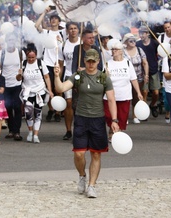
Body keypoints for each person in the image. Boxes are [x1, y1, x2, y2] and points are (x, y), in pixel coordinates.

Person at [54, 49, 119, 198]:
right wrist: (57, 76)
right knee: (79, 153)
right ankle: (82, 175)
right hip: (81, 118)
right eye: (88, 61)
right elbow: (61, 88)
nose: (90, 64)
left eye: (93, 61)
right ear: (84, 61)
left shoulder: (104, 78)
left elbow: (111, 99)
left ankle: (92, 185)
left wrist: (114, 120)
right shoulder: (78, 76)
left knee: (96, 153)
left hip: (98, 119)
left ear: (98, 62)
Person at [104, 42, 143, 136]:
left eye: (116, 49)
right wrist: (105, 75)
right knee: (109, 115)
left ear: (121, 51)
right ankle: (111, 129)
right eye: (112, 49)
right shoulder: (107, 63)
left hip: (124, 94)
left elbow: (133, 78)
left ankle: (118, 132)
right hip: (110, 95)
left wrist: (138, 92)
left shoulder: (127, 63)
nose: (114, 51)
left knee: (122, 116)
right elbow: (101, 80)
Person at [16, 45, 53, 143]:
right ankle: (30, 132)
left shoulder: (41, 63)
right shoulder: (23, 64)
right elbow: (18, 79)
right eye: (29, 57)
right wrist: (19, 74)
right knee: (28, 113)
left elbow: (47, 77)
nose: (31, 59)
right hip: (27, 92)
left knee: (38, 114)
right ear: (26, 57)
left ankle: (36, 135)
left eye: (33, 57)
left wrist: (50, 90)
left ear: (36, 55)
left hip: (39, 91)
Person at [35, 7, 64, 122]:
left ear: (59, 21)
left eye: (56, 19)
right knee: (49, 88)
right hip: (47, 63)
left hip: (59, 63)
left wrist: (60, 41)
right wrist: (44, 12)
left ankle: (58, 111)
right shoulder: (47, 32)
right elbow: (37, 26)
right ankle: (51, 109)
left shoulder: (62, 32)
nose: (53, 20)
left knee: (59, 88)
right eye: (52, 18)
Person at [0, 33, 24, 141]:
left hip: (17, 84)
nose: (11, 42)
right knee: (8, 107)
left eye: (13, 40)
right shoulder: (1, 53)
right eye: (9, 40)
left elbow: (24, 65)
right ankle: (11, 130)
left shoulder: (20, 52)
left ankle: (17, 131)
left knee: (17, 107)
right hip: (6, 84)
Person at [60, 22, 80, 140]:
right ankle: (68, 130)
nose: (73, 31)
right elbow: (61, 64)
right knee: (68, 103)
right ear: (67, 31)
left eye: (75, 28)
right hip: (67, 76)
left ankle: (78, 129)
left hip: (79, 76)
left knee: (78, 105)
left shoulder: (82, 43)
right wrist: (59, 80)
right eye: (71, 29)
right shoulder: (63, 44)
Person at [123, 33, 148, 123]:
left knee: (136, 96)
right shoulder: (122, 51)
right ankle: (124, 116)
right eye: (131, 41)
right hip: (126, 78)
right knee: (125, 98)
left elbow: (145, 63)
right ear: (126, 42)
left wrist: (146, 74)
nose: (133, 42)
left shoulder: (139, 50)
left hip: (138, 77)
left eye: (134, 40)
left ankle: (135, 115)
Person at [136, 26, 160, 118]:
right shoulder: (138, 44)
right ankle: (144, 111)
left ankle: (153, 105)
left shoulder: (154, 43)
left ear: (148, 34)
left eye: (143, 33)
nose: (141, 35)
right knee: (144, 92)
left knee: (156, 92)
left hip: (153, 69)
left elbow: (161, 51)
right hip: (142, 71)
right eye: (140, 33)